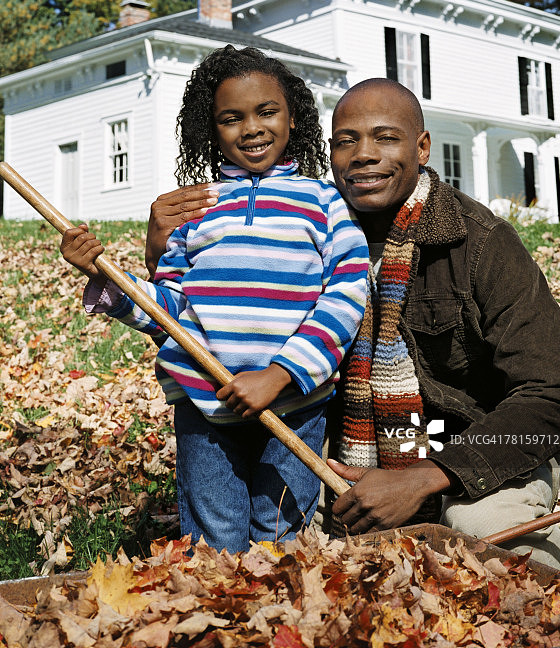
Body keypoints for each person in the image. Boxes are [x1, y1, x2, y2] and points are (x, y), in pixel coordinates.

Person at [146, 76, 560, 570]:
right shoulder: (307, 228)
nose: (363, 154)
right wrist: (157, 253)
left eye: (385, 137)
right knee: (281, 554)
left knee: (489, 547)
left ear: (422, 148)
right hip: (344, 452)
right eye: (346, 140)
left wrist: (425, 476)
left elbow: (556, 396)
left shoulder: (481, 243)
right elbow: (215, 315)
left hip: (474, 451)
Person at [60, 45, 369, 553]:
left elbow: (346, 293)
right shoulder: (197, 208)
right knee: (215, 544)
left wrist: (280, 375)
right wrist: (107, 277)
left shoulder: (323, 202)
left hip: (294, 402)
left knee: (280, 537)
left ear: (293, 117)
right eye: (232, 118)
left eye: (267, 112)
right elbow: (170, 310)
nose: (251, 128)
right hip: (205, 402)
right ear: (212, 129)